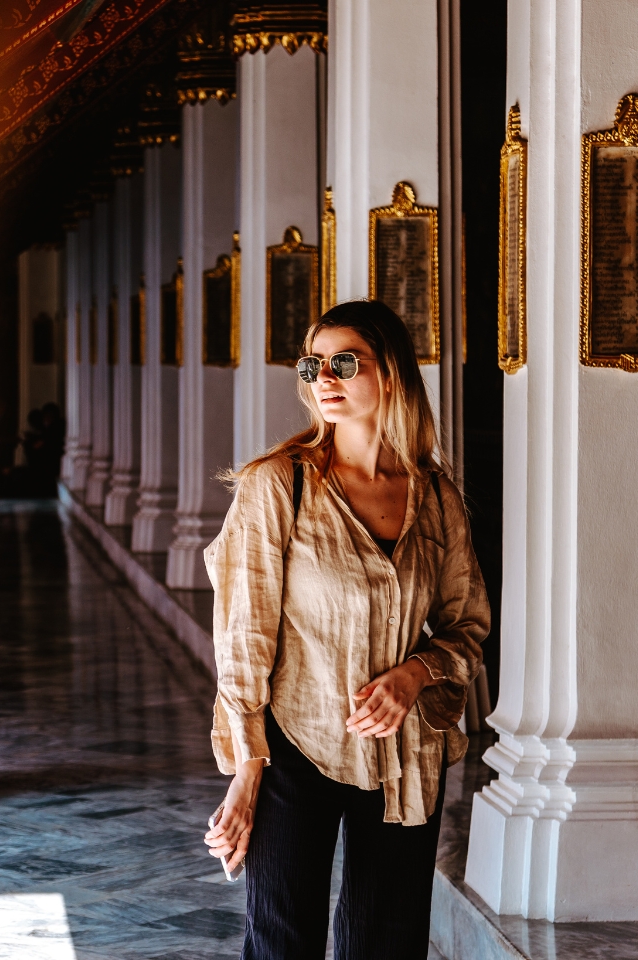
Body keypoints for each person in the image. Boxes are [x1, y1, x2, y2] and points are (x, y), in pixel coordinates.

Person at [201, 300, 489, 959]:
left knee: (386, 944)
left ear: (390, 373)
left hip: (404, 754)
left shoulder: (436, 497)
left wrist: (416, 674)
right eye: (313, 365)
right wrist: (246, 773)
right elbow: (244, 639)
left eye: (345, 363)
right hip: (295, 745)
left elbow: (467, 623)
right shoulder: (280, 486)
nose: (324, 378)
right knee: (281, 943)